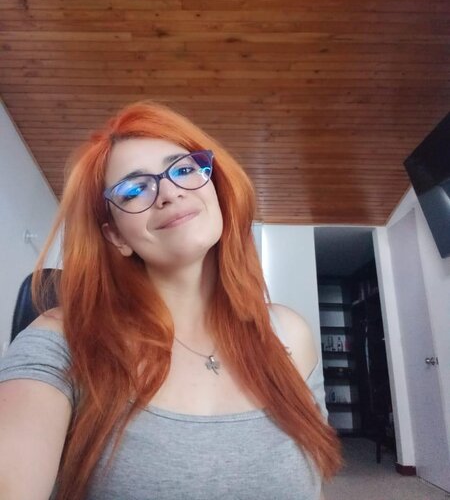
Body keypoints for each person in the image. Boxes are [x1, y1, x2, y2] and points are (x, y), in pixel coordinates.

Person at [0, 101, 342, 500]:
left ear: (216, 189)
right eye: (133, 189)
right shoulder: (62, 340)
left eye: (183, 169)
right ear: (116, 236)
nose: (169, 192)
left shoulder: (288, 333)